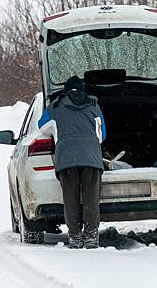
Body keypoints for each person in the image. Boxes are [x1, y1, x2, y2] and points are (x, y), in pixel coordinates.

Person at [38, 75, 106, 249]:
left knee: (71, 198)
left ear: (65, 91)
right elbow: (102, 135)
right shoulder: (94, 106)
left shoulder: (55, 107)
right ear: (83, 91)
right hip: (91, 158)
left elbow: (42, 127)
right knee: (91, 198)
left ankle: (75, 236)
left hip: (66, 159)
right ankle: (91, 235)